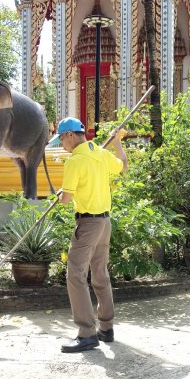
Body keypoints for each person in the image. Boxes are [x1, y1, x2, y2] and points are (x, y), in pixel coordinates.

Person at [56, 116, 126, 352]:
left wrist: (61, 194)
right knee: (100, 274)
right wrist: (117, 143)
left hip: (87, 225)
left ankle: (87, 333)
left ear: (70, 135)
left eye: (62, 139)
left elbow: (66, 200)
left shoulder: (75, 161)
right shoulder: (100, 153)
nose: (62, 145)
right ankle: (106, 328)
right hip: (104, 222)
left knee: (75, 275)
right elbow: (123, 165)